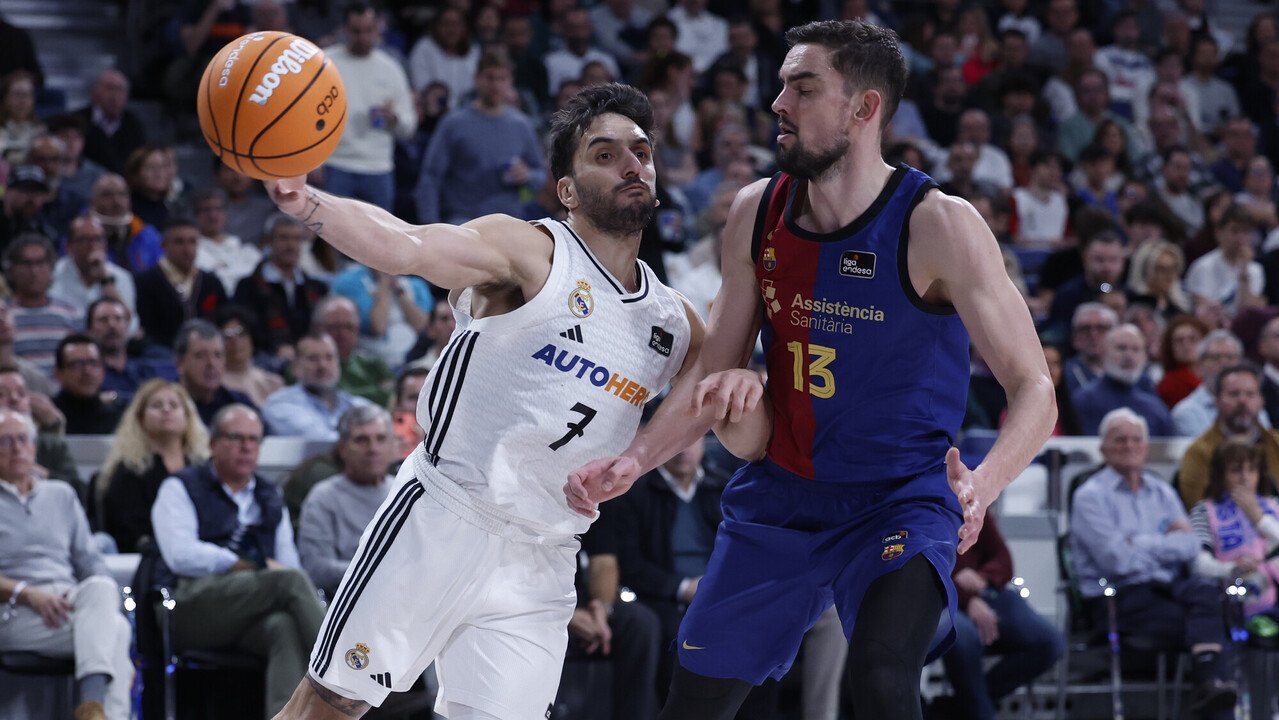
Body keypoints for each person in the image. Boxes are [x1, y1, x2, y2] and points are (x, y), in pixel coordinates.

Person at [566, 21, 1055, 720]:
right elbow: (715, 364)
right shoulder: (756, 210)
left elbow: (1034, 388)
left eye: (802, 86)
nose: (777, 104)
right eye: (780, 85)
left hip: (900, 498)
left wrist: (982, 485)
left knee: (882, 677)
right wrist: (636, 458)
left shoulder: (937, 224)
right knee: (693, 700)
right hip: (784, 494)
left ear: (863, 109)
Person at [267, 83, 701, 720]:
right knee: (329, 709)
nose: (631, 163)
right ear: (567, 190)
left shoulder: (674, 318)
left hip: (546, 555)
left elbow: (714, 396)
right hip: (446, 516)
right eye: (604, 154)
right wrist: (308, 202)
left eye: (640, 150)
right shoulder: (531, 250)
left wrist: (639, 454)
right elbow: (407, 245)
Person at [150, 404, 325, 719]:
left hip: (251, 608)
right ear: (213, 443)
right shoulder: (180, 487)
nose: (247, 447)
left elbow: (287, 562)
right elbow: (180, 555)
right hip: (187, 604)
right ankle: (344, 672)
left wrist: (262, 572)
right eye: (236, 438)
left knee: (282, 627)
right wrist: (246, 564)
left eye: (254, 440)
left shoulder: (270, 496)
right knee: (291, 582)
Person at [1070, 408, 1238, 715]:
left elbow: (1190, 545)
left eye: (1136, 440)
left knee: (1210, 594)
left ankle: (1209, 686)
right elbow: (1116, 561)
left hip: (1169, 588)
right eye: (1120, 440)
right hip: (1120, 598)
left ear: (1146, 449)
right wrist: (1166, 542)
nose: (1129, 446)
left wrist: (1138, 541)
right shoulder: (1089, 496)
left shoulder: (1161, 491)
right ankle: (1211, 689)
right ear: (1103, 449)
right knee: (1214, 630)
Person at [0, 409, 133, 720]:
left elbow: (90, 560)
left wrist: (103, 601)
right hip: (13, 609)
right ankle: (96, 710)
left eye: (22, 439)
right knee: (117, 632)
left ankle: (93, 710)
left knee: (102, 589)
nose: (17, 447)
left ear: (34, 448)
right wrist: (27, 592)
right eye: (5, 441)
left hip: (68, 601)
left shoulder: (60, 494)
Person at [941, 510, 1063, 720]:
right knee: (963, 636)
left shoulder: (970, 503)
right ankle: (979, 711)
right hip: (941, 597)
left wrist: (983, 578)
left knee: (1049, 641)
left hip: (984, 591)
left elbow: (1003, 559)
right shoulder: (920, 500)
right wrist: (966, 598)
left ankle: (963, 709)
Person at [97, 379, 208, 554]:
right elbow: (128, 531)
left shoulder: (204, 468)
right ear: (140, 419)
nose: (166, 410)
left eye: (174, 405)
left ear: (188, 417)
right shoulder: (129, 470)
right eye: (156, 405)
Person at [296, 405, 396, 597]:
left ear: (392, 445)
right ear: (342, 448)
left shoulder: (403, 492)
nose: (373, 449)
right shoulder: (323, 497)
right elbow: (316, 567)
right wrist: (379, 573)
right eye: (362, 440)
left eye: (381, 439)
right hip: (348, 602)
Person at [1189, 438, 1279, 620]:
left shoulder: (1274, 506)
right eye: (1236, 470)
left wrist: (1260, 519)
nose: (1245, 477)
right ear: (1220, 475)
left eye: (1252, 470)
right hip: (1227, 595)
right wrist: (1231, 568)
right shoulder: (1203, 511)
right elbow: (1197, 564)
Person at [1178, 364, 1279, 509]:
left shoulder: (1276, 443)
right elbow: (1198, 508)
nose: (1242, 401)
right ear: (1217, 401)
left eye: (1250, 394)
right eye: (1234, 394)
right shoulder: (1198, 452)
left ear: (1261, 401)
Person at [135, 217, 228, 349]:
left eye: (192, 242)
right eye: (179, 242)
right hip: (161, 354)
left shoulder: (211, 282)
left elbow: (223, 319)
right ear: (164, 245)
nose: (187, 249)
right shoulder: (145, 282)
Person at [261, 332, 370, 441]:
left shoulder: (357, 404)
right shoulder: (280, 404)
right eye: (313, 358)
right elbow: (320, 441)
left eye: (329, 357)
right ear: (295, 367)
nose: (322, 365)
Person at [52, 335, 125, 435]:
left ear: (103, 371)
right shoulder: (49, 416)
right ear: (58, 374)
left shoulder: (119, 418)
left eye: (93, 363)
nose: (87, 371)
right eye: (76, 364)